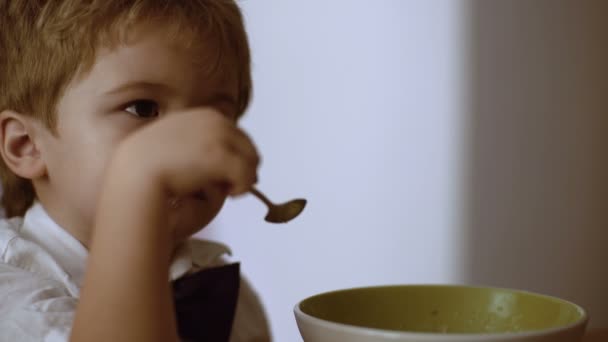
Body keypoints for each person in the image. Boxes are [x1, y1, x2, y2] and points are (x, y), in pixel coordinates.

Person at [0, 1, 271, 341]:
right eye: (143, 108)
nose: (184, 142)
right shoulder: (11, 294)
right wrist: (137, 179)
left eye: (211, 117)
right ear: (25, 145)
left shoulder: (229, 296)